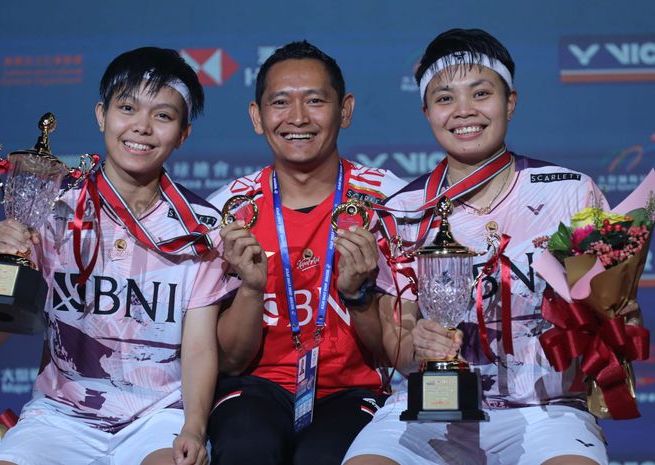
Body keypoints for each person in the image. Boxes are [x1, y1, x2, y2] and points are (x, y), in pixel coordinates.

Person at [343, 28, 613, 465]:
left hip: (547, 409)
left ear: (510, 101)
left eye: (481, 93)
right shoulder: (404, 211)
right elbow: (397, 348)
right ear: (427, 111)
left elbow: (610, 313)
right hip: (427, 409)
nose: (464, 111)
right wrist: (419, 344)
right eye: (445, 98)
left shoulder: (571, 193)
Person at [0, 47, 236, 465]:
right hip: (59, 417)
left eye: (163, 116)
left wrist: (193, 426)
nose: (142, 128)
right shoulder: (52, 210)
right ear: (101, 115)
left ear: (183, 133)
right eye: (128, 108)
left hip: (157, 418)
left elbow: (200, 347)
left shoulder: (201, 229)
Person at [207, 40, 407, 465]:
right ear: (257, 117)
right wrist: (250, 290)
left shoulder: (391, 204)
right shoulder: (227, 214)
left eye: (315, 101)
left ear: (345, 110)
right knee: (246, 448)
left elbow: (396, 351)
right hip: (256, 388)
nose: (298, 118)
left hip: (356, 390)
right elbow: (228, 359)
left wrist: (358, 295)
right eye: (280, 102)